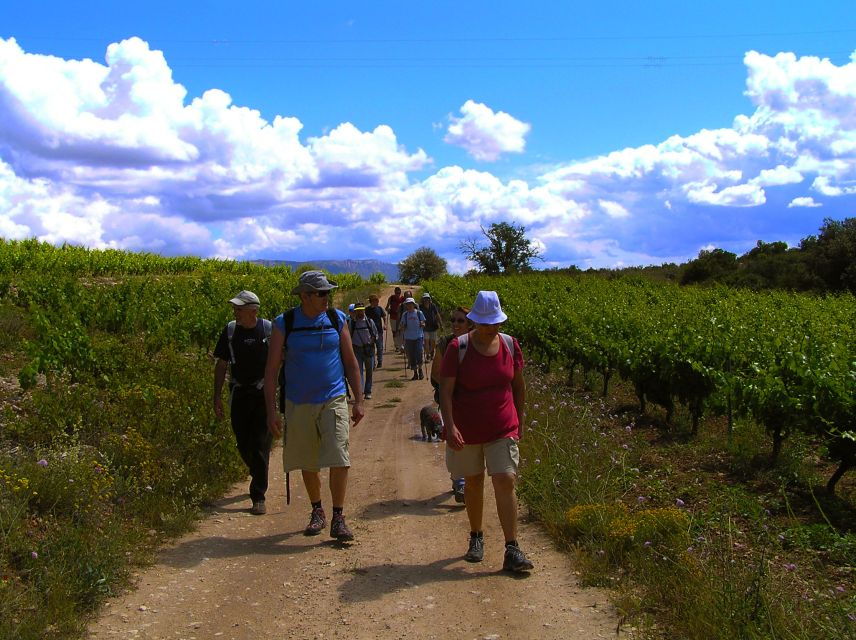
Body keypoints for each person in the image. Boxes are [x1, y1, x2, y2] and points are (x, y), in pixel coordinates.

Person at [264, 271, 365, 541]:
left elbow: (351, 362)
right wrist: (271, 411)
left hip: (334, 397)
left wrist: (358, 400)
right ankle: (317, 509)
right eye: (321, 293)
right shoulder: (284, 323)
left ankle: (338, 516)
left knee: (340, 457)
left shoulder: (337, 319)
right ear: (305, 296)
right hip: (298, 402)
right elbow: (271, 370)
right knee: (308, 460)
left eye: (328, 292)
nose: (326, 297)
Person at [439, 291, 534, 572]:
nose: (491, 327)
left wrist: (520, 421)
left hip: (503, 426)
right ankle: (476, 536)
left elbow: (518, 386)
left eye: (495, 322)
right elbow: (446, 391)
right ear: (474, 321)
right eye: (485, 323)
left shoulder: (510, 345)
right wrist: (450, 426)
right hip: (467, 429)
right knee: (473, 482)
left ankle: (512, 548)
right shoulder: (458, 348)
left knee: (505, 480)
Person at [213, 290, 273, 516]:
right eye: (235, 309)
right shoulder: (230, 331)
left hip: (262, 394)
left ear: (253, 311)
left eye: (239, 309)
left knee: (259, 443)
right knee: (242, 443)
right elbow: (221, 364)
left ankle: (258, 496)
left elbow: (280, 360)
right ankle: (258, 470)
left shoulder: (267, 330)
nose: (235, 312)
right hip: (239, 393)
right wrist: (216, 397)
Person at [430, 306, 474, 503]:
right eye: (453, 320)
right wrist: (451, 389)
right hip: (451, 400)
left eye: (460, 321)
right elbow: (436, 373)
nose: (455, 324)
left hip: (473, 401)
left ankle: (466, 477)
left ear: (470, 324)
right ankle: (460, 481)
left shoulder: (477, 342)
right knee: (454, 437)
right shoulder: (445, 343)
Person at [349, 302, 378, 400]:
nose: (359, 312)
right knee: (358, 372)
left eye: (361, 310)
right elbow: (349, 336)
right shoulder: (352, 323)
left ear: (364, 310)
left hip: (368, 349)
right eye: (358, 311)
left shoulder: (369, 321)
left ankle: (368, 391)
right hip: (357, 349)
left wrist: (372, 342)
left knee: (369, 371)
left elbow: (375, 334)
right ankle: (360, 392)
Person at [397, 297, 425, 380]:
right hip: (408, 337)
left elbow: (423, 322)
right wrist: (402, 327)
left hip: (418, 336)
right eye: (408, 304)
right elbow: (401, 325)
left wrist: (422, 324)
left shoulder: (419, 313)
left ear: (413, 305)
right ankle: (415, 373)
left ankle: (420, 370)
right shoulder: (405, 315)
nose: (409, 305)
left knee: (419, 353)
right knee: (411, 355)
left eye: (410, 304)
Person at [419, 292, 443, 363]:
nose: (426, 300)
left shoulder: (433, 306)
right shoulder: (420, 307)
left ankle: (431, 352)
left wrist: (441, 324)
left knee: (433, 343)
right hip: (425, 327)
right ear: (423, 299)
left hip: (433, 326)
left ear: (429, 299)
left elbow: (437, 315)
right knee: (426, 342)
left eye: (427, 298)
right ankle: (428, 355)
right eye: (425, 299)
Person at [364, 294, 387, 368]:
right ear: (372, 301)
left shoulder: (379, 309)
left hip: (379, 331)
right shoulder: (367, 310)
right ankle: (372, 363)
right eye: (376, 300)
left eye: (377, 300)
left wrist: (385, 324)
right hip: (370, 332)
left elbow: (384, 316)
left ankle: (379, 361)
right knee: (371, 348)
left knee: (379, 347)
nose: (377, 301)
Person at [385, 287, 405, 354]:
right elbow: (386, 308)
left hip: (401, 317)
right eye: (396, 293)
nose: (398, 294)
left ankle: (401, 346)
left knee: (401, 331)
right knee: (394, 332)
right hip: (393, 317)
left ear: (400, 292)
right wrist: (388, 310)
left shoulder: (403, 299)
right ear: (394, 292)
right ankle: (397, 346)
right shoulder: (391, 298)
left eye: (399, 293)